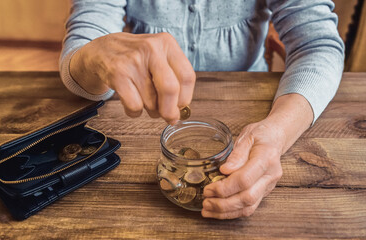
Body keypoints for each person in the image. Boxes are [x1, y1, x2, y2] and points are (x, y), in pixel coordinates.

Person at [60, 0, 344, 219]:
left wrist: (278, 131)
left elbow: (318, 43)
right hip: (139, 117)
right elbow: (83, 40)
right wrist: (93, 56)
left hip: (255, 105)